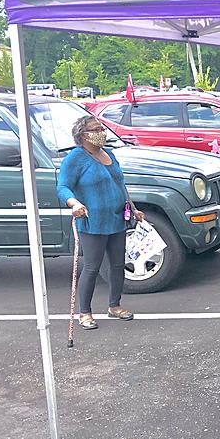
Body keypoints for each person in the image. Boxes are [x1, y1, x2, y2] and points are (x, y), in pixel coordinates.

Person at [57, 115, 144, 330]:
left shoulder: (110, 154)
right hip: (92, 221)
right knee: (92, 267)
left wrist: (133, 208)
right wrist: (74, 203)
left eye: (102, 128)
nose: (102, 132)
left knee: (117, 265)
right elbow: (62, 187)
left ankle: (115, 306)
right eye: (97, 129)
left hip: (116, 218)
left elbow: (120, 184)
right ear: (83, 135)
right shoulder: (75, 158)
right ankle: (84, 312)